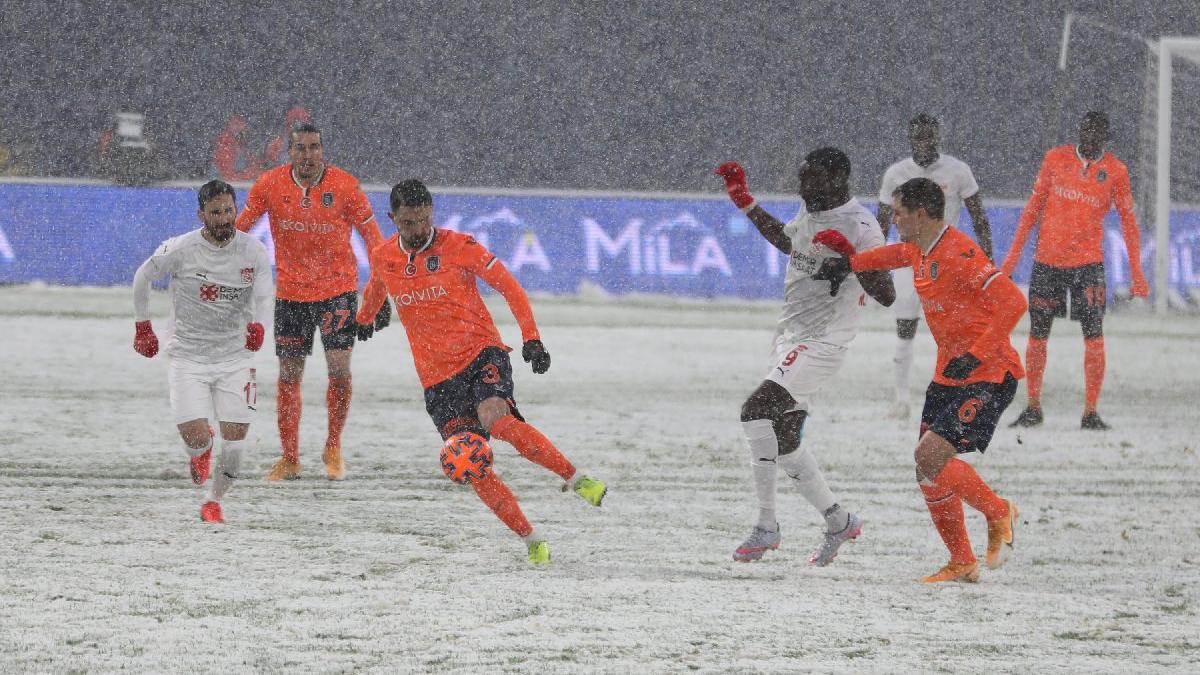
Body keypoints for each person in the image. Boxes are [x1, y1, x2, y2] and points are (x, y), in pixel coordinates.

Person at [356, 179, 607, 565]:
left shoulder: (460, 246)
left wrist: (532, 338)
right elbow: (377, 285)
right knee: (469, 462)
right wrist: (364, 317)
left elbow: (510, 287)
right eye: (408, 223)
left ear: (432, 213)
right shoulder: (383, 254)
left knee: (497, 419)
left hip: (479, 355)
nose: (418, 230)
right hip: (436, 380)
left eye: (424, 220)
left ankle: (578, 480)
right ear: (393, 219)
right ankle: (532, 540)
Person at [817, 177, 1023, 583]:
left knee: (929, 457)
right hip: (949, 376)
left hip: (988, 374)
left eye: (898, 212)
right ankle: (962, 562)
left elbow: (1014, 302)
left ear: (921, 214)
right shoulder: (921, 248)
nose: (892, 219)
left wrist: (977, 354)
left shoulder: (961, 252)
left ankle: (999, 511)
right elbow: (894, 255)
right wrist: (850, 265)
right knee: (927, 470)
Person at [714, 148, 895, 566]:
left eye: (811, 178)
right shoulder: (810, 209)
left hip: (823, 342)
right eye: (801, 177)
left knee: (754, 411)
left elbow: (886, 294)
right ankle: (839, 520)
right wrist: (746, 202)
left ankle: (766, 526)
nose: (802, 186)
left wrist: (851, 258)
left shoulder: (863, 226)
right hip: (790, 337)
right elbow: (788, 240)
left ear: (838, 178)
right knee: (786, 442)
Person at [235, 122, 392, 481]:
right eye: (300, 148)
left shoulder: (346, 187)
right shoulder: (269, 185)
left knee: (338, 368)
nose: (308, 155)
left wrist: (378, 290)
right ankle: (289, 458)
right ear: (289, 152)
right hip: (291, 293)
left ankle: (333, 446)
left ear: (323, 151)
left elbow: (375, 242)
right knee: (289, 374)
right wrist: (216, 258)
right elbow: (241, 229)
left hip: (337, 291)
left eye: (314, 148)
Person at [132, 180, 273, 523]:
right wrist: (142, 326)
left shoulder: (253, 251)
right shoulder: (181, 249)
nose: (224, 218)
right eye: (216, 212)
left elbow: (266, 295)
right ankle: (201, 449)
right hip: (188, 358)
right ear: (201, 214)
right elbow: (142, 276)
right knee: (195, 439)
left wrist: (260, 326)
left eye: (229, 210)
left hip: (235, 359)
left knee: (236, 446)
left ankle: (213, 500)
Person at [1002, 111, 1149, 430]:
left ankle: (1090, 411)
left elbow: (1129, 224)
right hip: (1047, 263)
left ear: (1105, 138)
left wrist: (1137, 273)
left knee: (1093, 335)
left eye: (1096, 132)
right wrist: (1011, 260)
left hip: (1088, 266)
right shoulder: (1055, 159)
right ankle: (1033, 406)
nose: (1089, 137)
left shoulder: (1115, 171)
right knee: (1038, 334)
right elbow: (1032, 210)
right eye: (1085, 130)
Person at [876, 114, 993, 420]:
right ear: (910, 139)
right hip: (908, 260)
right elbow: (881, 224)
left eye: (929, 136)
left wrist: (988, 261)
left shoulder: (957, 171)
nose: (924, 142)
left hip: (947, 263)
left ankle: (957, 397)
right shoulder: (896, 174)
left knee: (955, 334)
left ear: (938, 137)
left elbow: (979, 217)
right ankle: (901, 400)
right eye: (919, 137)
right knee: (905, 329)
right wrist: (875, 264)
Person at [211, 114, 265, 181]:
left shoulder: (240, 144)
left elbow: (253, 162)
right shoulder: (225, 145)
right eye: (237, 125)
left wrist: (260, 166)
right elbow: (228, 176)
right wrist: (250, 174)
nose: (244, 128)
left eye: (244, 125)